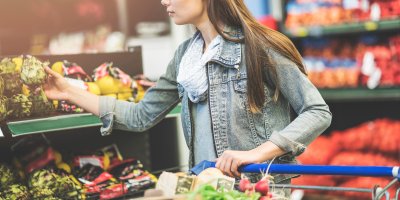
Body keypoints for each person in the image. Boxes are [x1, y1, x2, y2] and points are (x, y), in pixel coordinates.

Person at [44, 0, 332, 196]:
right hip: (207, 191)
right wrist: (68, 91)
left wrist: (256, 153)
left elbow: (317, 110)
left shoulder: (259, 47)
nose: (163, 1)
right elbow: (140, 116)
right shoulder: (186, 58)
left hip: (257, 191)